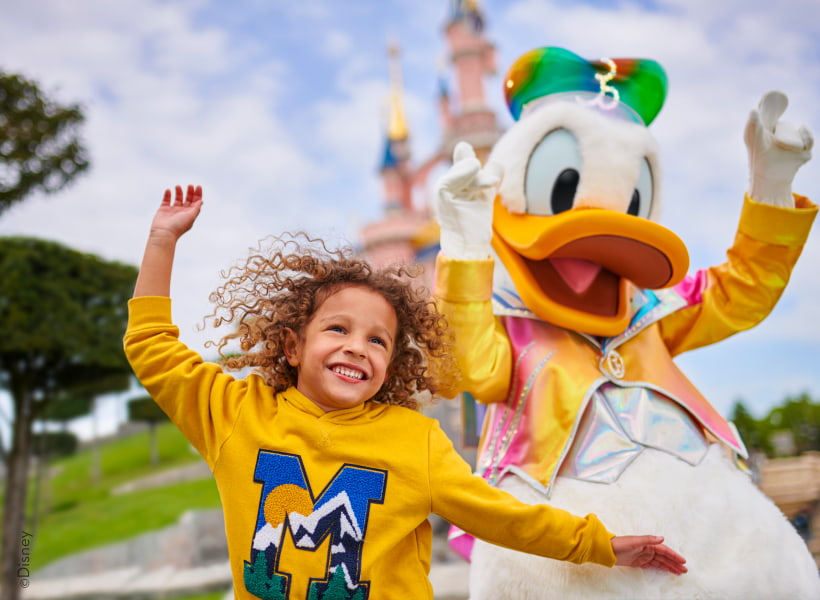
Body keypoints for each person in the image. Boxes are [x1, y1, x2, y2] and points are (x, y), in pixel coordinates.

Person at [123, 184, 688, 600]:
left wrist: (601, 545)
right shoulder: (234, 414)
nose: (357, 347)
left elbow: (504, 518)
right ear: (292, 346)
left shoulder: (414, 441)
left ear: (391, 365)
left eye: (378, 340)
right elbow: (150, 346)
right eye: (337, 329)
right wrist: (161, 241)